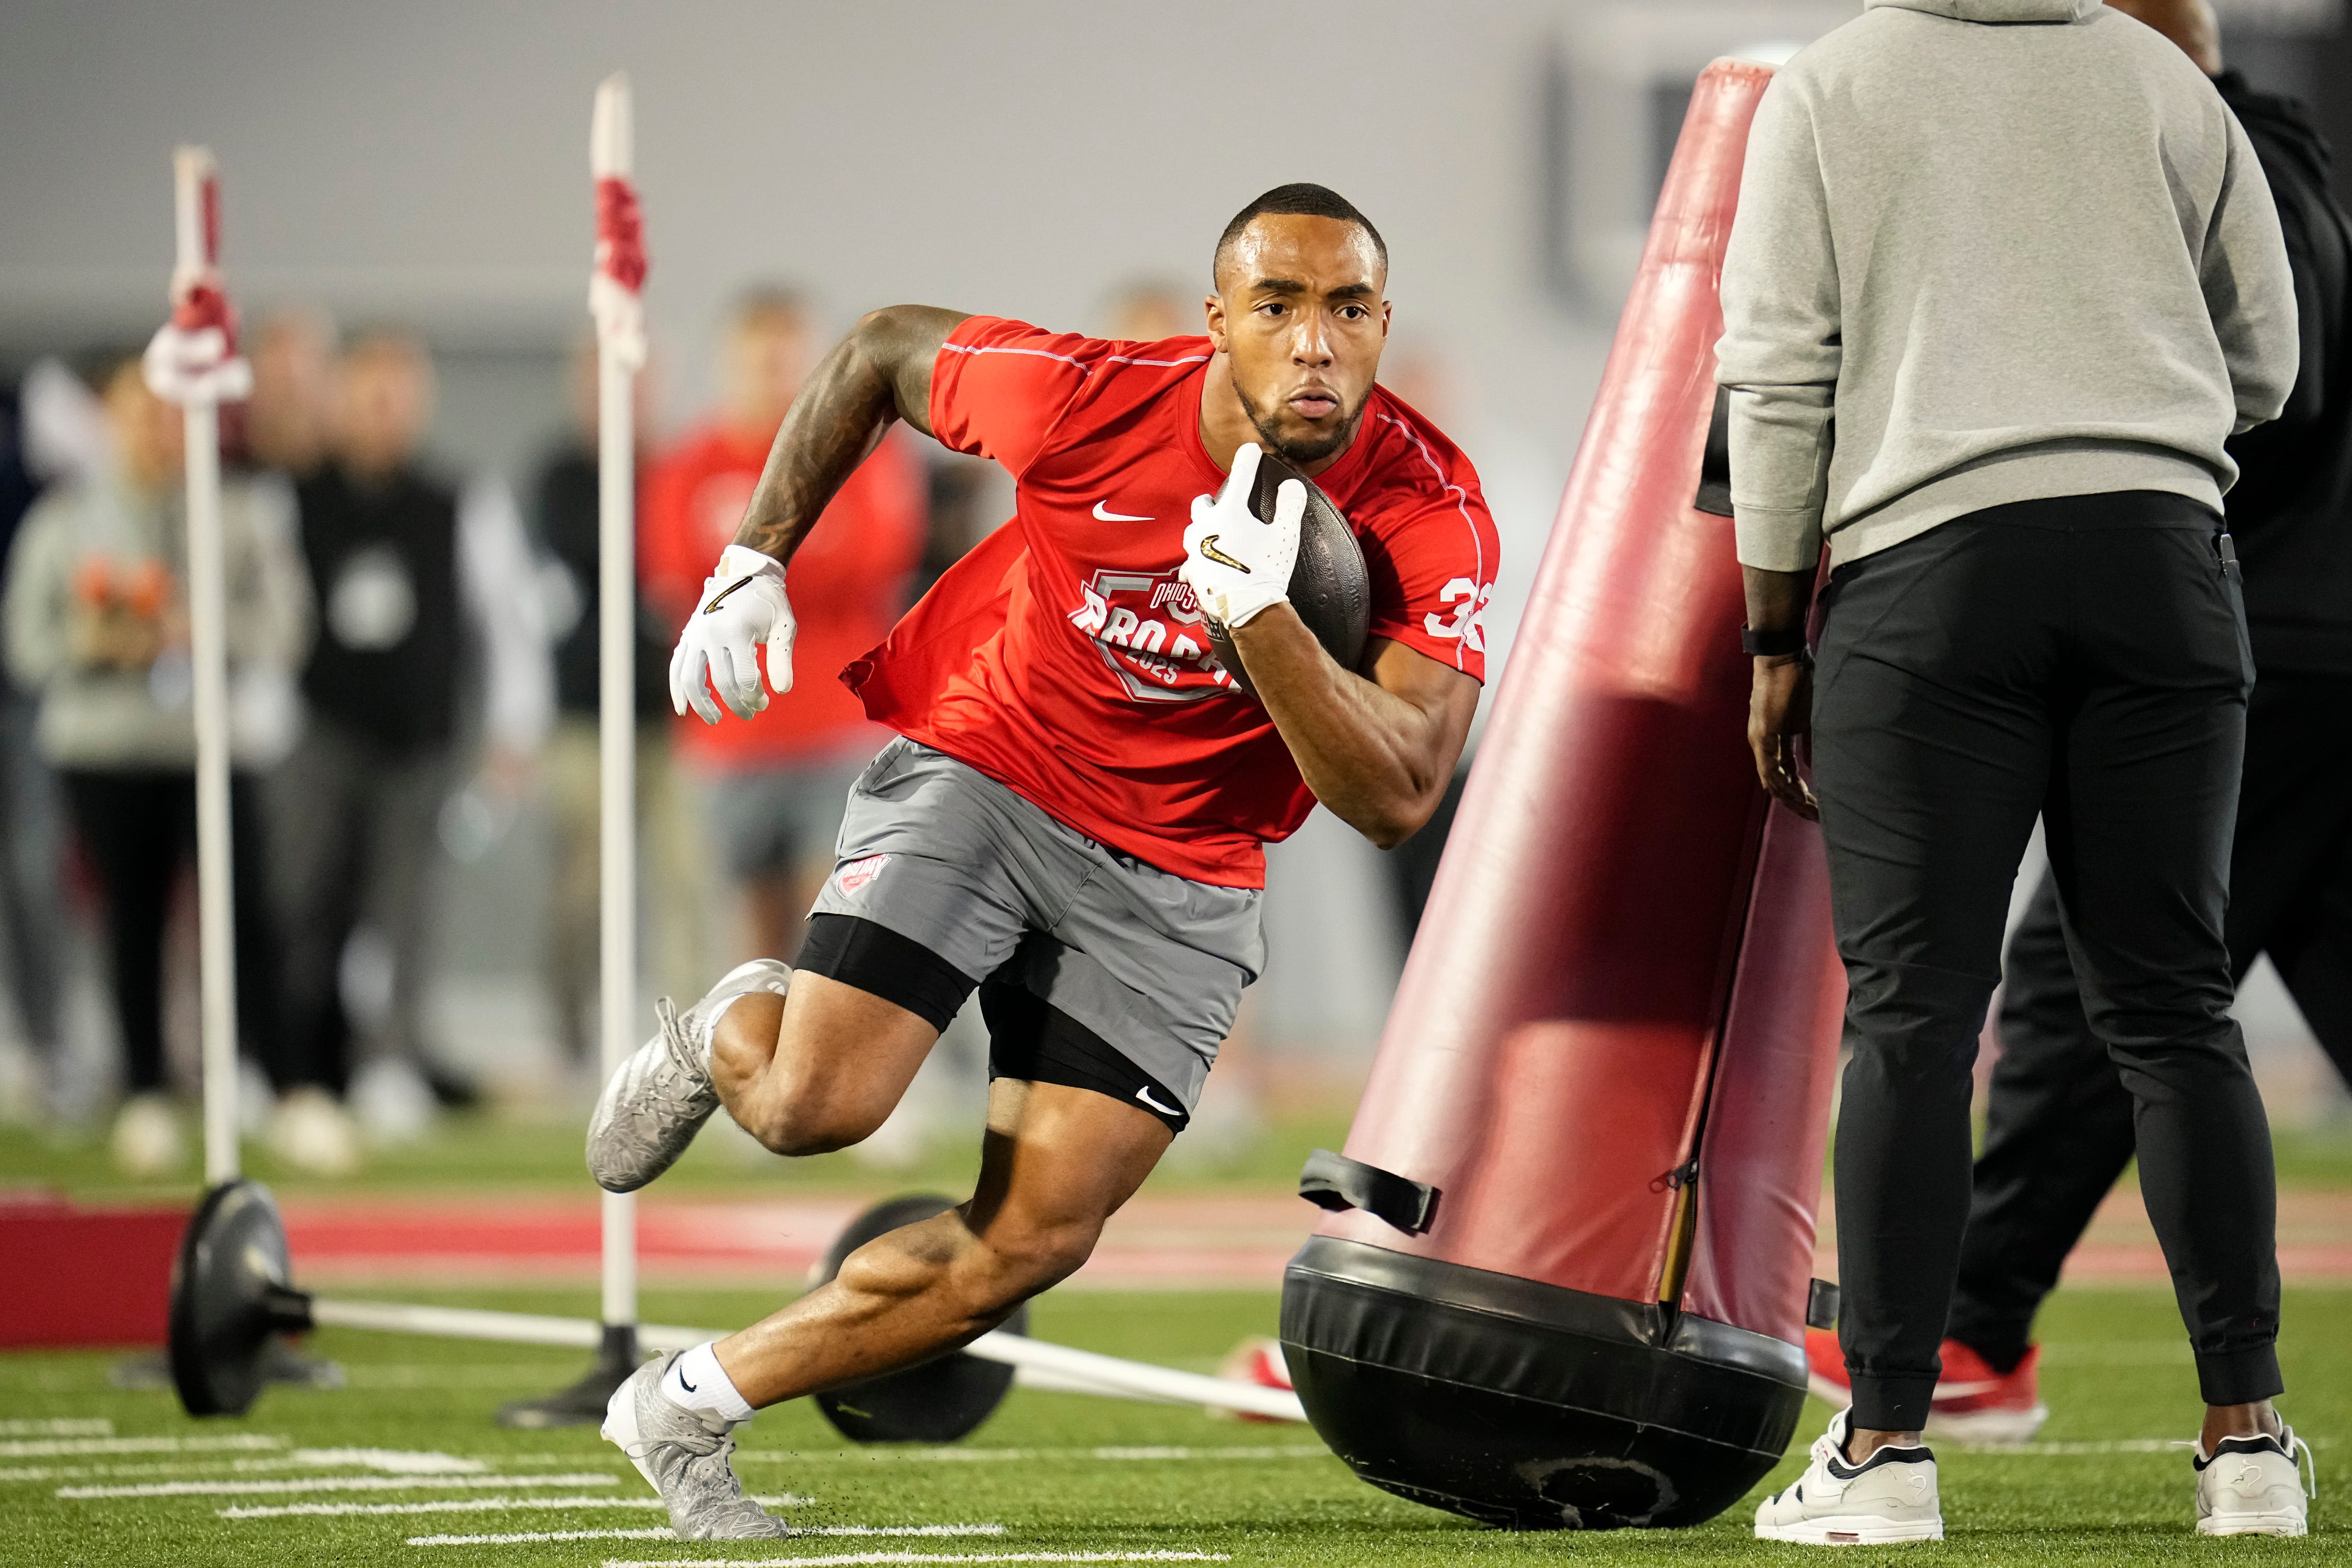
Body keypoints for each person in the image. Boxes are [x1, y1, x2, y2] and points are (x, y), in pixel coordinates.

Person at [586, 183, 1497, 1539]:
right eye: (1278, 306)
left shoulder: (1427, 507)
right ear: (1217, 324)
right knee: (807, 1111)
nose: (1315, 342)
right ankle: (731, 1030)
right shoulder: (1087, 399)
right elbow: (881, 349)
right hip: (995, 771)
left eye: (1349, 309)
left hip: (1183, 870)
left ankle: (682, 1406)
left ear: (1381, 323)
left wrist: (1258, 617)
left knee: (1032, 1244)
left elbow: (1398, 797)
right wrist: (754, 554)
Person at [1722, 0, 2307, 1543]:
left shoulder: (1831, 87)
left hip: (1927, 578)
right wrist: (2138, 430)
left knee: (1914, 1018)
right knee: (2176, 1013)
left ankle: (1886, 1457)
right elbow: (2271, 355)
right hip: (2162, 559)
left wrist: (1773, 634)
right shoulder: (2159, 78)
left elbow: (1777, 372)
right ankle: (2246, 1447)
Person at [2, 355, 322, 1174]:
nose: (156, 431)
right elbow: (27, 645)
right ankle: (143, 1090)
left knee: (249, 916)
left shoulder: (240, 509)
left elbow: (286, 627)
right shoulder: (68, 518)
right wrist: (97, 642)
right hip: (106, 748)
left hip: (213, 746)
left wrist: (201, 629)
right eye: (139, 414)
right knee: (129, 924)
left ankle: (286, 1087)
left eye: (170, 414)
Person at [273, 330, 552, 1140]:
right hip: (320, 729)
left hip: (421, 737)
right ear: (338, 401)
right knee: (305, 902)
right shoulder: (292, 495)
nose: (383, 412)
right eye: (367, 394)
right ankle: (298, 1066)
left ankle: (388, 1062)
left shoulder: (459, 499)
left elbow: (506, 621)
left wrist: (513, 727)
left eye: (399, 395)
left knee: (405, 909)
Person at [641, 289, 927, 965]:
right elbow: (678, 578)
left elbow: (878, 563)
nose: (774, 377)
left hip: (835, 726)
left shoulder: (866, 457)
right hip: (728, 732)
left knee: (832, 916)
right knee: (739, 934)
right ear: (728, 364)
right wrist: (791, 565)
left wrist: (754, 569)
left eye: (789, 361)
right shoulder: (688, 466)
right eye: (759, 360)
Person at [532, 339, 709, 1074]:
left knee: (686, 882)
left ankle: (694, 1045)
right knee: (582, 889)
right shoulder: (564, 477)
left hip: (675, 716)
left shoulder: (678, 471)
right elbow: (591, 553)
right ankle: (571, 1035)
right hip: (586, 718)